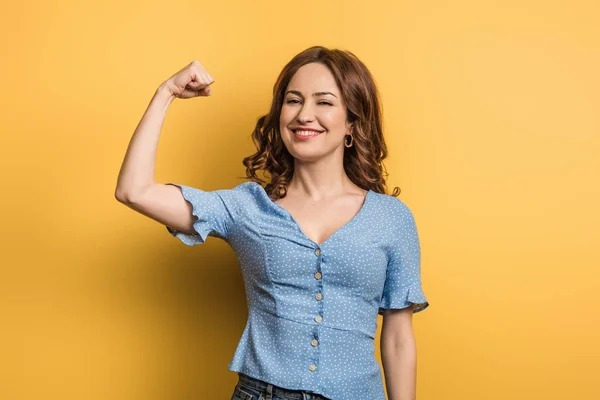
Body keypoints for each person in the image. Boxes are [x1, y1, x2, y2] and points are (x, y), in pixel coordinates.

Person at [115, 45, 430, 400]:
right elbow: (134, 190)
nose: (304, 115)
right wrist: (166, 93)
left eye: (324, 102)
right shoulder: (247, 208)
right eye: (293, 101)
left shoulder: (391, 218)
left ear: (352, 124)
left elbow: (399, 339)